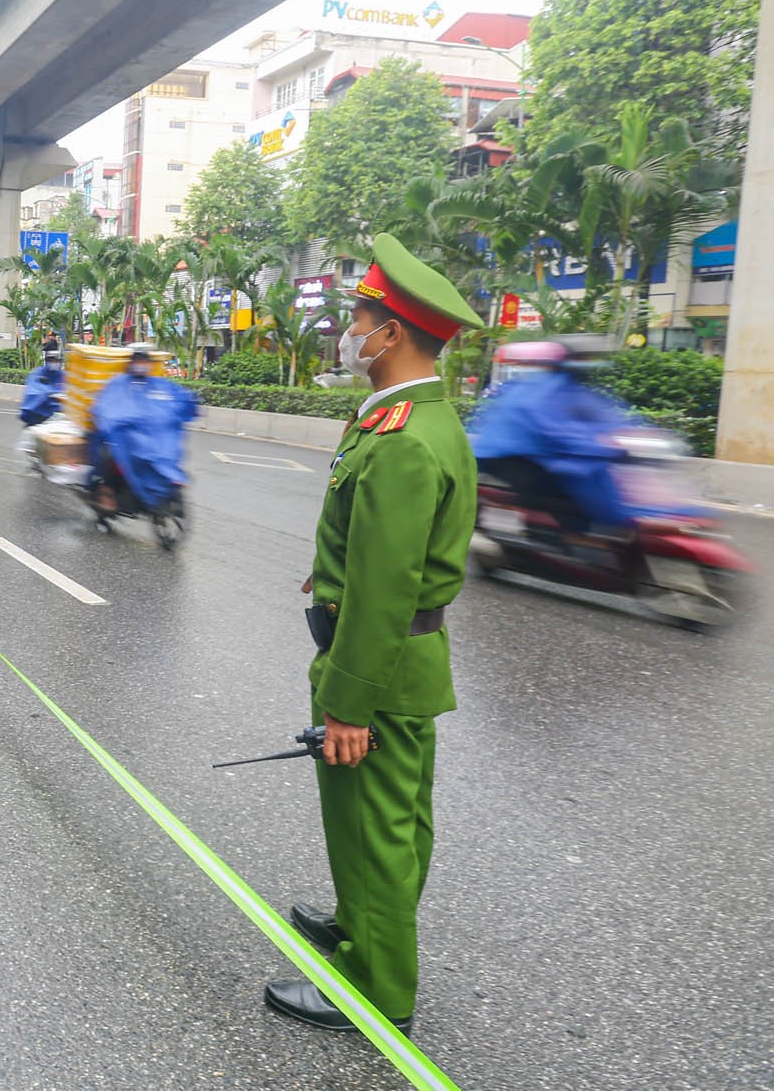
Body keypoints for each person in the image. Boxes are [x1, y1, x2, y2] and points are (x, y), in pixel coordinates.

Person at [267, 233, 482, 1037]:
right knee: (387, 819)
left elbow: (390, 589)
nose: (350, 330)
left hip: (377, 670)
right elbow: (381, 549)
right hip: (396, 661)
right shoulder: (412, 419)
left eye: (359, 317)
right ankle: (363, 922)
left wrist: (348, 703)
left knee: (375, 825)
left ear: (390, 333)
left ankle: (375, 988)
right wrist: (329, 572)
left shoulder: (403, 440)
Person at [469, 337, 636, 536]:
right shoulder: (546, 388)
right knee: (571, 492)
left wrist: (627, 434)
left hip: (528, 452)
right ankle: (564, 543)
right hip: (508, 457)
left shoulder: (570, 388)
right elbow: (551, 429)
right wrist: (603, 446)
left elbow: (602, 414)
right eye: (585, 358)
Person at [87, 345, 198, 514]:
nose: (140, 364)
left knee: (171, 450)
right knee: (109, 454)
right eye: (137, 360)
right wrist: (112, 421)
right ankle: (107, 491)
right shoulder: (119, 383)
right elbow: (105, 407)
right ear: (131, 363)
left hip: (152, 438)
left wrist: (191, 401)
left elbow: (178, 400)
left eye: (143, 361)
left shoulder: (160, 385)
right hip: (125, 437)